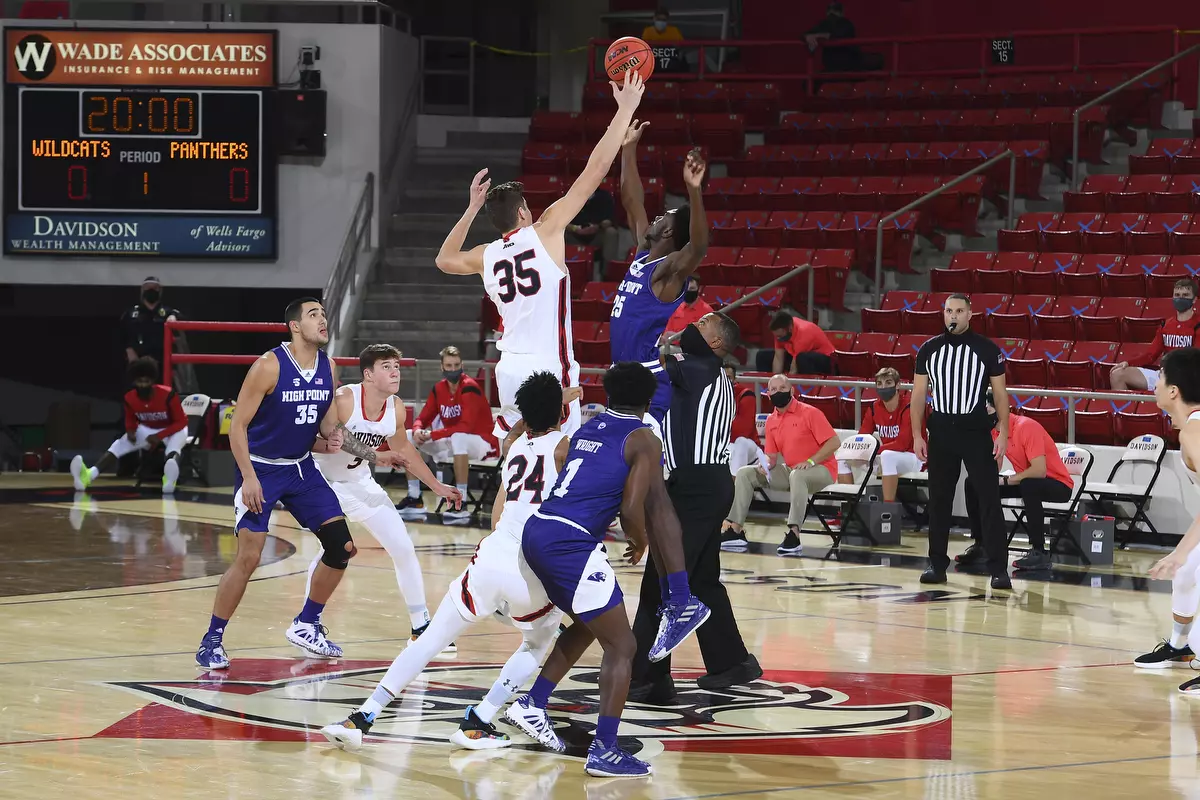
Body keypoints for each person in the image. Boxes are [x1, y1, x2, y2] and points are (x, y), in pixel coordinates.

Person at [319, 371, 572, 752]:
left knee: (431, 638)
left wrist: (531, 415)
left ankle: (363, 716)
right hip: (532, 565)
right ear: (561, 413)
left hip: (492, 555)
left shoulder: (514, 448)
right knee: (537, 644)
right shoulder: (567, 447)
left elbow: (499, 508)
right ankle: (480, 719)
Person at [503, 362, 709, 778]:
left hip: (538, 530)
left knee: (588, 624)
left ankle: (533, 703)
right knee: (623, 646)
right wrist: (640, 539)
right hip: (570, 542)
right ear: (649, 400)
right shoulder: (643, 438)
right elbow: (633, 509)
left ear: (610, 396)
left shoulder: (587, 428)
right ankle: (605, 750)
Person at [434, 70, 646, 440]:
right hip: (547, 366)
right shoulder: (546, 230)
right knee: (557, 453)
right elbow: (595, 170)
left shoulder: (485, 255)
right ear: (521, 212)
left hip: (509, 367)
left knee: (517, 448)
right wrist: (624, 109)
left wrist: (471, 209)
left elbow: (443, 259)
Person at [195, 298, 352, 669]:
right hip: (261, 469)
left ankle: (307, 624)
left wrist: (343, 438)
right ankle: (211, 639)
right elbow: (237, 426)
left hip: (301, 468)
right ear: (295, 326)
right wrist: (249, 477)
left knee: (341, 546)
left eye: (324, 314)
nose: (323, 320)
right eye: (314, 315)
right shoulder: (269, 365)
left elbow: (328, 426)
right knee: (249, 557)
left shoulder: (328, 366)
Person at [631, 313, 761, 704]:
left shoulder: (700, 369)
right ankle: (732, 662)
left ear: (717, 343)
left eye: (703, 324)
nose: (693, 325)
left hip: (697, 486)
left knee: (661, 578)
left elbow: (642, 366)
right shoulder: (704, 373)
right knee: (701, 581)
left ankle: (647, 678)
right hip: (702, 483)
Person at [309, 344, 463, 651]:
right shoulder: (345, 399)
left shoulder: (396, 407)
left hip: (360, 483)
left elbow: (404, 450)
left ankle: (420, 626)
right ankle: (308, 623)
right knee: (334, 550)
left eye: (397, 366)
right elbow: (330, 436)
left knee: (403, 548)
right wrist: (376, 456)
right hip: (323, 482)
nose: (395, 372)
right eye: (387, 367)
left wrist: (436, 486)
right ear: (368, 374)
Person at [912, 294, 1013, 590]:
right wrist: (917, 435)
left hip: (975, 430)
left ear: (970, 314)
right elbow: (918, 395)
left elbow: (1000, 394)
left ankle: (998, 568)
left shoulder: (986, 349)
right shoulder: (929, 349)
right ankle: (936, 564)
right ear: (943, 314)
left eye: (959, 310)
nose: (953, 316)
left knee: (989, 498)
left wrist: (1004, 433)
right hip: (942, 430)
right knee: (939, 500)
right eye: (949, 311)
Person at [614, 120, 708, 426]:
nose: (655, 217)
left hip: (646, 379)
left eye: (663, 217)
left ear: (668, 232)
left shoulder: (667, 272)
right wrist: (629, 149)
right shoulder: (643, 254)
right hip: (623, 374)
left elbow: (698, 247)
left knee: (647, 452)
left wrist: (694, 191)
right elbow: (632, 201)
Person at [1136, 348, 1200, 695]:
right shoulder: (1190, 427)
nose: (1155, 385)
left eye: (1159, 378)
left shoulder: (1194, 432)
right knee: (1186, 571)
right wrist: (1182, 554)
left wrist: (1179, 551)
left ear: (1174, 390)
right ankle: (1179, 645)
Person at [723, 374, 839, 555]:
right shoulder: (771, 420)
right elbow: (771, 457)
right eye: (774, 389)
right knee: (746, 473)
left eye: (782, 388)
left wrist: (810, 461)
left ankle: (794, 534)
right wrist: (765, 465)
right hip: (792, 470)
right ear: (768, 394)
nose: (778, 392)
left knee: (797, 475)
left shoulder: (810, 413)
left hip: (822, 470)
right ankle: (736, 530)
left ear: (792, 391)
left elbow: (834, 442)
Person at [957, 391, 1072, 572]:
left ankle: (1039, 551)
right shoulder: (994, 432)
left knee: (1029, 485)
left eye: (985, 410)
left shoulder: (1026, 427)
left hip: (1058, 484)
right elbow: (993, 467)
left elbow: (1039, 471)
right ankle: (982, 544)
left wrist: (1007, 480)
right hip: (1026, 482)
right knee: (973, 483)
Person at [398, 345, 497, 523]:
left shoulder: (470, 387)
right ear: (442, 367)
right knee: (408, 436)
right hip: (455, 442)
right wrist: (418, 429)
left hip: (483, 444)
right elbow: (423, 417)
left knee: (459, 437)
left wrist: (433, 435)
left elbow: (465, 426)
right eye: (449, 366)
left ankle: (461, 501)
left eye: (456, 365)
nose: (453, 369)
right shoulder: (439, 389)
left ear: (462, 365)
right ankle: (414, 498)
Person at [70, 356, 188, 494]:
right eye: (139, 381)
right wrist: (131, 430)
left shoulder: (168, 395)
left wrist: (159, 435)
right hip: (149, 429)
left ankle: (169, 479)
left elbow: (181, 422)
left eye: (146, 381)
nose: (142, 385)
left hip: (173, 429)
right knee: (120, 444)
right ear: (134, 381)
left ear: (153, 381)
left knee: (173, 448)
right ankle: (88, 475)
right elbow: (130, 419)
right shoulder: (129, 398)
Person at [837, 367, 924, 503]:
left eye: (888, 383)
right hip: (888, 458)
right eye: (879, 384)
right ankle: (850, 507)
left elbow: (902, 444)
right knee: (843, 458)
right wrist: (857, 450)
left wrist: (872, 451)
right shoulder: (874, 408)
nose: (883, 387)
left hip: (914, 458)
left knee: (887, 456)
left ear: (898, 385)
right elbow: (862, 437)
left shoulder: (909, 406)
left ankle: (888, 508)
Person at [1110, 279, 1200, 392]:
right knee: (1117, 374)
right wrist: (1128, 363)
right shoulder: (1166, 325)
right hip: (1165, 375)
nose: (1180, 298)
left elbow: (1196, 358)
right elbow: (1150, 355)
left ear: (1194, 299)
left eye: (1185, 295)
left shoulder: (1198, 324)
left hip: (1189, 378)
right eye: (1177, 295)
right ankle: (1125, 404)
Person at [120, 276, 180, 365]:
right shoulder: (131, 314)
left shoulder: (168, 312)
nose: (151, 290)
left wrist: (173, 317)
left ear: (160, 291)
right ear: (142, 290)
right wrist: (129, 351)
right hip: (137, 362)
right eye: (148, 287)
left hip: (163, 362)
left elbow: (181, 333)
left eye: (155, 288)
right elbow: (122, 336)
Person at [756, 310, 835, 375]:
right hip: (797, 356)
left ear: (790, 328)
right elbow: (778, 358)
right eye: (776, 336)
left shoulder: (804, 331)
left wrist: (788, 384)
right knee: (763, 355)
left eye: (780, 336)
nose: (778, 338)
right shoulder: (780, 333)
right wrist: (775, 380)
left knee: (802, 358)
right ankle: (765, 385)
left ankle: (806, 387)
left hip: (826, 361)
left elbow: (794, 367)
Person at [725, 359, 767, 477]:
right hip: (726, 447)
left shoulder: (746, 395)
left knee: (741, 442)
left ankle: (735, 483)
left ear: (734, 380)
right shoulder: (713, 398)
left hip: (751, 449)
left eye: (728, 377)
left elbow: (742, 431)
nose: (725, 381)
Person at [567, 188, 620, 272]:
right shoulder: (570, 195)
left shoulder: (604, 196)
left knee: (611, 232)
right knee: (558, 233)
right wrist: (575, 229)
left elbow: (609, 220)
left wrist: (598, 226)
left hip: (596, 234)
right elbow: (560, 222)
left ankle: (608, 273)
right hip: (575, 234)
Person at [806, 1, 863, 73]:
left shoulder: (846, 24)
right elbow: (805, 34)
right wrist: (808, 37)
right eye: (830, 11)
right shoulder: (825, 24)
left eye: (834, 11)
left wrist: (816, 36)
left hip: (845, 66)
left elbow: (838, 34)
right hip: (835, 67)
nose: (832, 14)